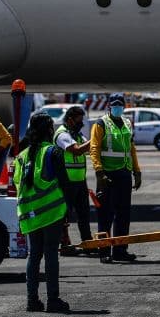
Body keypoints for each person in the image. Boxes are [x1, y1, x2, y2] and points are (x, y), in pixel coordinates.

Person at [15, 112, 70, 313]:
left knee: (34, 255)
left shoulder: (21, 156)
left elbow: (18, 184)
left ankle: (32, 301)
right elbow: (65, 183)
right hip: (51, 212)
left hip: (29, 214)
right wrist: (68, 211)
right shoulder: (53, 152)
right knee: (50, 254)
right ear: (49, 130)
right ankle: (53, 300)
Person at [89, 93, 142, 263]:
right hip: (107, 175)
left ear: (124, 106)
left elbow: (131, 149)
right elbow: (94, 148)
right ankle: (104, 251)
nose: (118, 107)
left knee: (123, 215)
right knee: (105, 215)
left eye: (120, 105)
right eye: (115, 105)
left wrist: (137, 171)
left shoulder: (127, 123)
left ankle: (120, 250)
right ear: (109, 106)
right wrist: (99, 172)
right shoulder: (101, 124)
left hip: (124, 174)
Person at [53, 106, 93, 252]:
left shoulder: (76, 134)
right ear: (70, 120)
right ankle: (65, 245)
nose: (81, 123)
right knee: (65, 215)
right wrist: (96, 138)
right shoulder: (62, 134)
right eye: (79, 120)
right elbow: (77, 150)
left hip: (80, 181)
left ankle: (88, 243)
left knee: (84, 214)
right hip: (67, 182)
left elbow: (88, 147)